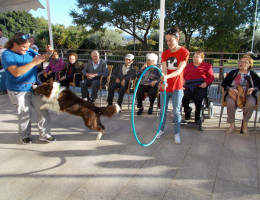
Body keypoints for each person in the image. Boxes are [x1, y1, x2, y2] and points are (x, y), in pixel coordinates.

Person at [1, 32, 56, 144]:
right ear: (15, 44)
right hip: (18, 90)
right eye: (24, 47)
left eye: (28, 47)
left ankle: (45, 134)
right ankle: (24, 135)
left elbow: (42, 58)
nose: (27, 49)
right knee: (24, 113)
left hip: (34, 87)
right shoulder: (7, 54)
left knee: (43, 108)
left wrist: (48, 53)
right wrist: (33, 63)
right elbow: (16, 72)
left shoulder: (30, 50)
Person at [156, 28, 190, 144]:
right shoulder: (165, 53)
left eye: (171, 40)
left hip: (177, 86)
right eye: (167, 41)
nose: (169, 43)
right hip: (165, 86)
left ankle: (176, 133)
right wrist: (163, 79)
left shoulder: (184, 52)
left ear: (177, 38)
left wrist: (166, 78)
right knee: (163, 110)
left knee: (176, 111)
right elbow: (164, 69)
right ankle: (160, 130)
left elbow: (179, 70)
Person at [221, 55, 260, 136]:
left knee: (251, 103)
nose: (241, 63)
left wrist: (253, 89)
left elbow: (259, 85)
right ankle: (232, 125)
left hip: (248, 94)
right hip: (233, 94)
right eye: (240, 61)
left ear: (249, 64)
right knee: (230, 103)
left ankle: (245, 125)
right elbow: (224, 83)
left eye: (244, 62)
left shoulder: (252, 74)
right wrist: (230, 89)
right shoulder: (233, 73)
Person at [182, 51, 214, 123]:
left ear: (202, 58)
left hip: (200, 86)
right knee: (184, 99)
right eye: (194, 56)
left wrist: (206, 83)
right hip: (189, 86)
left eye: (197, 57)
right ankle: (187, 110)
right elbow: (183, 74)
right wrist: (183, 78)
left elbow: (211, 77)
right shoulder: (189, 66)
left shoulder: (207, 66)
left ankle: (197, 115)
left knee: (198, 98)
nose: (195, 58)